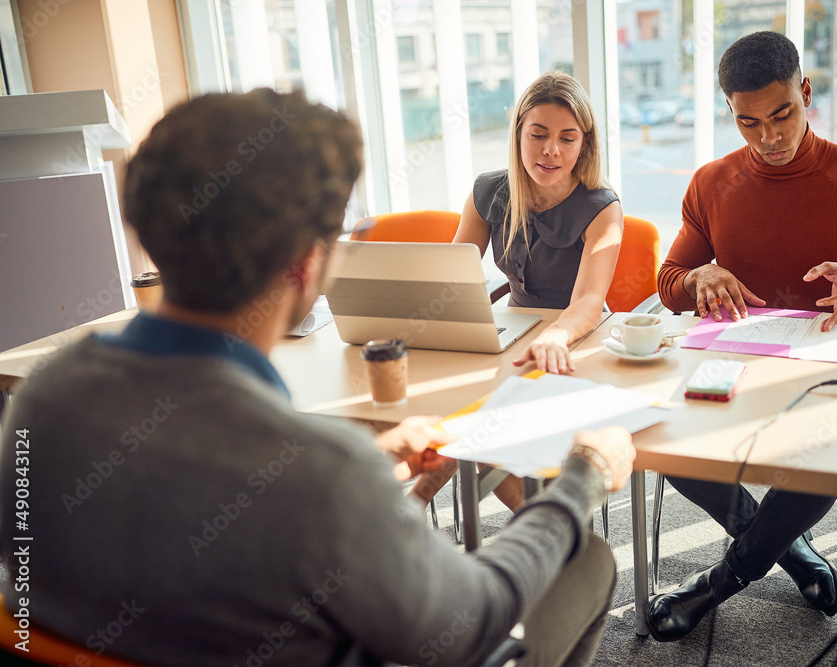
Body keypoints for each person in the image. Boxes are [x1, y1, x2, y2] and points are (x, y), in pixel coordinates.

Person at [0, 89, 637, 666]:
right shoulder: (321, 472)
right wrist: (581, 479)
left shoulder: (42, 401)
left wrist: (361, 463)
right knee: (586, 561)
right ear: (309, 266)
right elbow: (467, 625)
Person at [646, 31, 837, 641]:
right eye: (747, 122)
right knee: (667, 447)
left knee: (825, 457)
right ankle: (794, 554)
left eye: (782, 114)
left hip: (826, 373)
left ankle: (719, 583)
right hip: (735, 364)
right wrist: (697, 278)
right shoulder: (711, 182)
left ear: (806, 92)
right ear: (730, 114)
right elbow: (666, 283)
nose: (768, 137)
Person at [411, 71, 625, 511]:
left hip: (579, 340)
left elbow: (587, 302)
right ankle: (542, 527)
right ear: (518, 135)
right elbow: (457, 275)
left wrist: (556, 336)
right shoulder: (488, 191)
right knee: (461, 408)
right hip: (517, 333)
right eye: (539, 134)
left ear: (584, 143)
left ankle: (417, 503)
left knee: (478, 419)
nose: (551, 150)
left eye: (568, 138)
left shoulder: (602, 206)